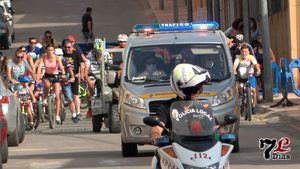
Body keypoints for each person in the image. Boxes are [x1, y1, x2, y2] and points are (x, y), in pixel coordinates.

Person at [150, 63, 211, 141]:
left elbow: (215, 126)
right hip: (174, 148)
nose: (198, 92)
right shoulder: (166, 108)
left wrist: (222, 133)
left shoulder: (203, 107)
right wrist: (155, 135)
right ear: (183, 89)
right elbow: (157, 127)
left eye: (200, 88)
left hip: (202, 147)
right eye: (195, 89)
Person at [36, 45, 66, 124]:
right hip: (47, 75)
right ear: (46, 51)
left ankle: (57, 115)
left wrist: (63, 74)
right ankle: (45, 99)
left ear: (53, 51)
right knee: (46, 85)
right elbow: (39, 67)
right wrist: (37, 76)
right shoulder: (43, 57)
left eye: (51, 50)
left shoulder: (56, 58)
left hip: (55, 76)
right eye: (48, 50)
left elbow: (61, 67)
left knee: (57, 96)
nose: (50, 51)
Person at [233, 44, 261, 110]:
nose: (244, 53)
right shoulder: (238, 58)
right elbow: (234, 66)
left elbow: (256, 64)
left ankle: (254, 106)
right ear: (240, 52)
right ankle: (241, 98)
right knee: (239, 87)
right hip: (241, 76)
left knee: (254, 90)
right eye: (242, 51)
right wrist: (234, 71)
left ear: (248, 52)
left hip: (250, 75)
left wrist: (258, 70)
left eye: (245, 52)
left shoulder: (251, 57)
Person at [63, 40, 85, 120]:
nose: (67, 49)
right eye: (66, 47)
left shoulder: (76, 53)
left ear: (72, 47)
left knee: (75, 95)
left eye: (69, 47)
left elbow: (82, 64)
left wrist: (80, 74)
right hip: (65, 77)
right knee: (69, 97)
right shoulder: (62, 54)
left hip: (75, 75)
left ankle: (78, 112)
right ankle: (73, 114)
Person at [84, 41, 103, 118]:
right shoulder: (89, 56)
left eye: (100, 53)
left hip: (103, 75)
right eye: (97, 53)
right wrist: (88, 80)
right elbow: (86, 71)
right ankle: (90, 108)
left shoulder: (106, 54)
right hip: (93, 75)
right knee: (89, 91)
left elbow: (110, 66)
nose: (98, 54)